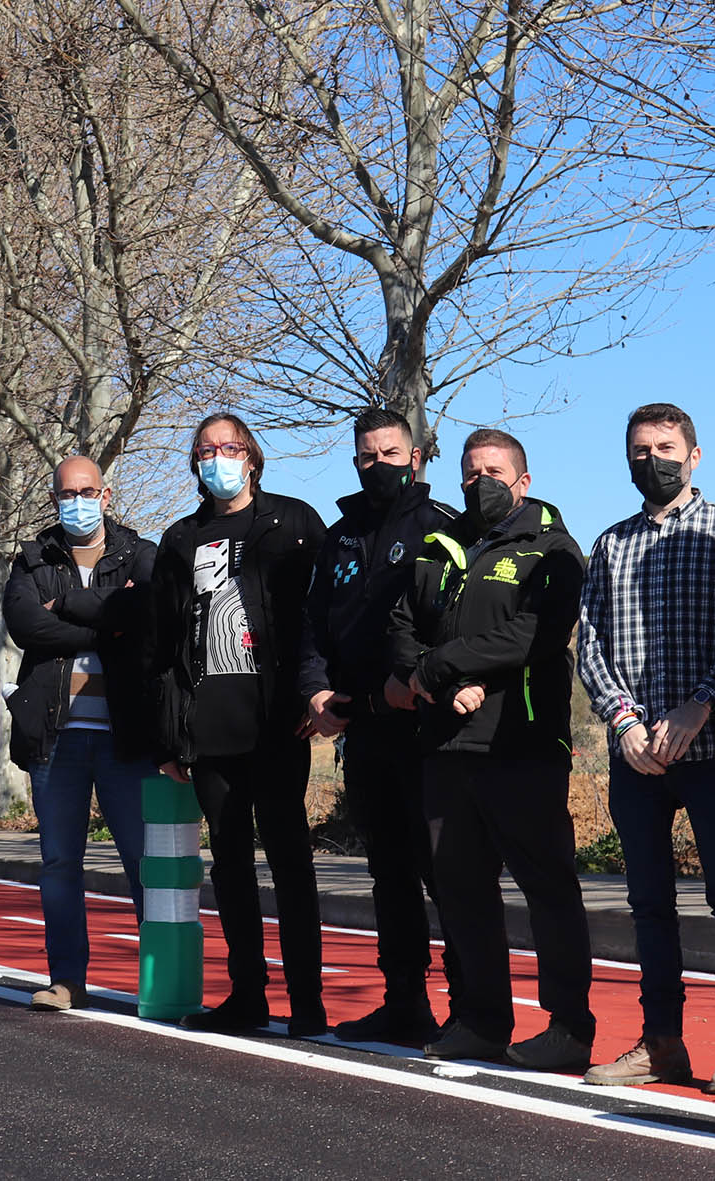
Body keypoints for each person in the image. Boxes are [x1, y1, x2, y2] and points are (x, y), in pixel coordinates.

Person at [387, 428, 595, 1071]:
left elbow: (536, 632)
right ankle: (480, 1020)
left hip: (521, 744)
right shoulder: (437, 549)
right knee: (461, 890)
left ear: (524, 481)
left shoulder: (552, 548)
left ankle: (567, 1028)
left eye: (496, 471)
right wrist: (428, 676)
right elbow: (399, 625)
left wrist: (444, 666)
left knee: (548, 889)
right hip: (446, 746)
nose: (484, 481)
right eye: (472, 472)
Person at [576, 403, 715, 1093]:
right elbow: (589, 644)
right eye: (638, 449)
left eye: (663, 446)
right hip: (636, 759)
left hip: (712, 747)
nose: (650, 459)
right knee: (648, 903)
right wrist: (623, 720)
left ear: (694, 453)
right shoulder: (610, 544)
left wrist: (700, 701)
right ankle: (660, 1043)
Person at [144, 412, 330, 1037]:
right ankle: (248, 994)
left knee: (290, 859)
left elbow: (322, 614)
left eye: (229, 446)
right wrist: (170, 736)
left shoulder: (295, 520)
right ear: (194, 462)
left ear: (251, 455)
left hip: (277, 722)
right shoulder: (179, 540)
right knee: (229, 864)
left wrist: (316, 692)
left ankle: (308, 1000)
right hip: (210, 726)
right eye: (205, 449)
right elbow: (164, 647)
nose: (218, 457)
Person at [295, 407, 463, 1045]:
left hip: (426, 733)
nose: (379, 465)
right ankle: (404, 1003)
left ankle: (468, 1008)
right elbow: (312, 626)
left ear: (416, 457)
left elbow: (456, 626)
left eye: (391, 454)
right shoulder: (339, 537)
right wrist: (313, 690)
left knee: (441, 873)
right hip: (362, 732)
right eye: (368, 456)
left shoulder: (443, 529)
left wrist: (418, 681)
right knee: (387, 874)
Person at [2, 455, 157, 1012]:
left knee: (145, 864)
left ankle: (158, 981)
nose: (77, 502)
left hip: (125, 739)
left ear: (107, 495)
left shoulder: (140, 553)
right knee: (59, 865)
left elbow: (147, 613)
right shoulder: (32, 559)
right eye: (67, 494)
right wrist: (107, 624)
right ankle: (66, 979)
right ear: (53, 499)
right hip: (55, 739)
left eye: (87, 491)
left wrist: (71, 611)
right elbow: (25, 625)